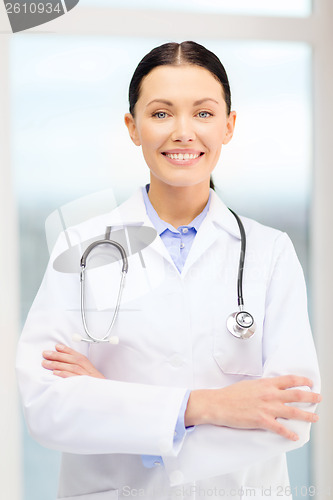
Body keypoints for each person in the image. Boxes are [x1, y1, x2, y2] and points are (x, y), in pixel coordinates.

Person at [16, 41, 321, 500]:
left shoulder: (270, 252)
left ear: (229, 125)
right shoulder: (80, 249)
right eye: (160, 114)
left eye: (203, 113)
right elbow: (47, 405)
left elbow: (293, 413)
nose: (183, 132)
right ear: (132, 127)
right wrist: (208, 406)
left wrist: (119, 406)